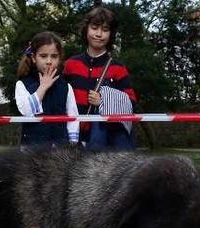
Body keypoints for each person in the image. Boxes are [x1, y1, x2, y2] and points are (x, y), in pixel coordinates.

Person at [63, 6, 137, 150]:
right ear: (86, 29)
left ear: (111, 34)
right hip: (73, 138)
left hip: (106, 142)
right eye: (94, 27)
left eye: (105, 29)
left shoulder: (118, 68)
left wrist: (104, 100)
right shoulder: (70, 64)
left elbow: (131, 103)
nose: (99, 34)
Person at [15, 31, 79, 147]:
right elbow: (27, 111)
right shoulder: (22, 84)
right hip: (32, 151)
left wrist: (72, 143)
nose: (49, 61)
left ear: (59, 58)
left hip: (61, 152)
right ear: (34, 58)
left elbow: (73, 116)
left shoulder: (65, 87)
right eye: (43, 56)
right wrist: (42, 88)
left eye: (54, 56)